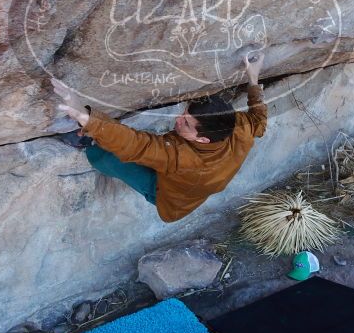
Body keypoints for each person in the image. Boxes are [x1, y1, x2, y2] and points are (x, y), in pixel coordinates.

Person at [52, 53, 267, 222]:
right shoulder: (242, 126)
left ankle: (88, 143)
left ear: (202, 140)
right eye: (184, 113)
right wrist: (253, 79)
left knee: (106, 157)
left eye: (186, 123)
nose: (178, 120)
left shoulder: (182, 158)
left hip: (168, 197)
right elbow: (259, 119)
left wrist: (88, 119)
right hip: (199, 182)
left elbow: (136, 144)